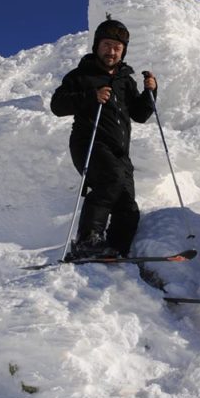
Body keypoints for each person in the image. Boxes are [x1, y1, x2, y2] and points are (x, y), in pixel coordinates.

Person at [50, 16, 157, 259]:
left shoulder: (125, 82)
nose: (112, 51)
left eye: (117, 48)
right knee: (110, 179)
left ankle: (115, 250)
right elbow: (57, 106)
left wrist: (151, 91)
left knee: (127, 204)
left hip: (120, 151)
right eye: (107, 45)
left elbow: (140, 114)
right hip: (89, 143)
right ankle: (87, 241)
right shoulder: (80, 76)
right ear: (97, 46)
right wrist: (91, 96)